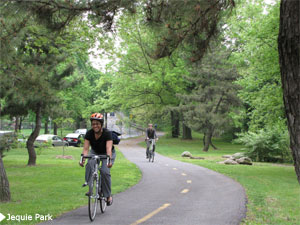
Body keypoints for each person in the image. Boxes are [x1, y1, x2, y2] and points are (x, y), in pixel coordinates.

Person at [79, 113, 116, 206]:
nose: (95, 125)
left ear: (101, 124)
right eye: (93, 124)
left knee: (105, 172)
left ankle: (108, 196)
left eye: (97, 124)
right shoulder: (89, 133)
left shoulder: (107, 133)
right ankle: (90, 187)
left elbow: (108, 149)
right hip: (95, 151)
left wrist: (109, 160)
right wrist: (83, 158)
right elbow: (86, 149)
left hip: (106, 153)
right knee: (89, 164)